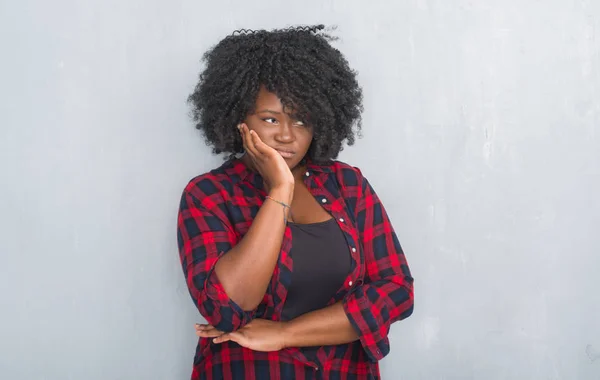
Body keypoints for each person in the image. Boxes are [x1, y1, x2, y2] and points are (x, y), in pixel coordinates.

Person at [177, 24, 414, 380]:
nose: (286, 135)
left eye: (301, 120)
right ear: (239, 119)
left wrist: (285, 334)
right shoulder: (209, 195)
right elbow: (227, 309)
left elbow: (395, 291)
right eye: (270, 119)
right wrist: (280, 191)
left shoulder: (347, 185)